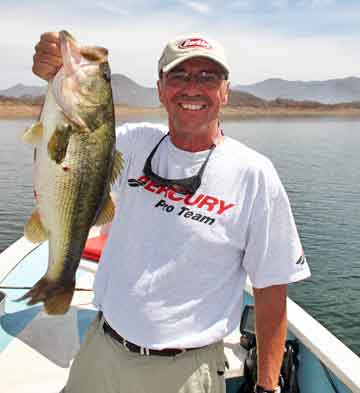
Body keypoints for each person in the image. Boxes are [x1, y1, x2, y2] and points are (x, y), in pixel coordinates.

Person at [32, 32, 311, 393]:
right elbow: (70, 145)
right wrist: (53, 77)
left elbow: (271, 289)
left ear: (225, 91)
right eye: (178, 76)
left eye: (207, 77)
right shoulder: (132, 144)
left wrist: (267, 386)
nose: (192, 87)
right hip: (101, 351)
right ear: (161, 89)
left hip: (187, 371)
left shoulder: (254, 175)